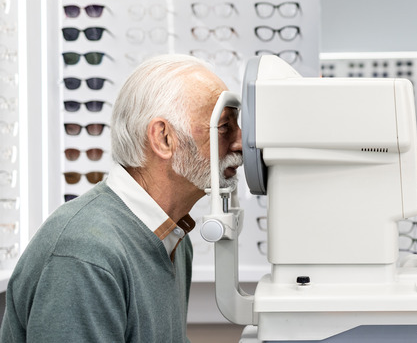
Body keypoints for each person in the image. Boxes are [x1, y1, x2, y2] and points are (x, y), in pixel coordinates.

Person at [0, 55, 243, 342]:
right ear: (164, 138)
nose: (240, 142)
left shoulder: (174, 239)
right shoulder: (86, 255)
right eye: (224, 126)